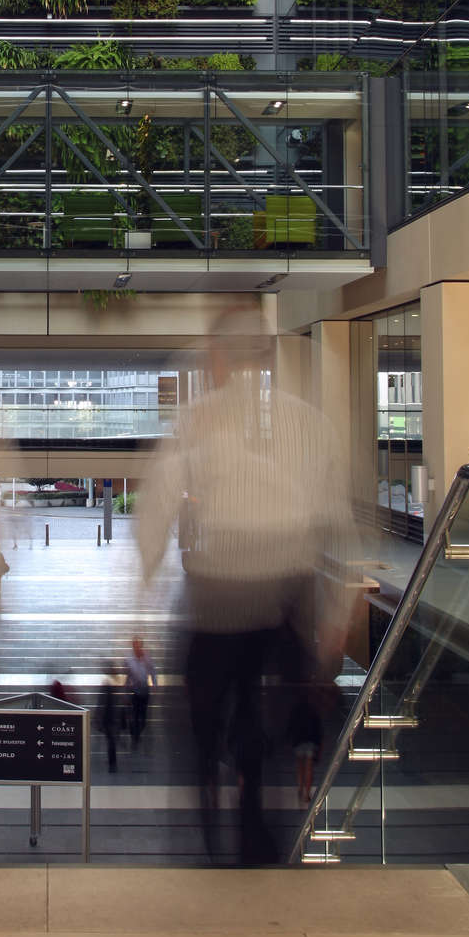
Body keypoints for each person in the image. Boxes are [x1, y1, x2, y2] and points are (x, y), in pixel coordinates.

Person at [135, 304, 357, 863]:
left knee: (205, 724)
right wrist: (336, 619)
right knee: (269, 728)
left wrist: (140, 598)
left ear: (215, 359)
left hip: (218, 598)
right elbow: (340, 525)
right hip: (290, 602)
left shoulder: (200, 420)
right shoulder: (309, 422)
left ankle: (212, 830)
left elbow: (157, 509)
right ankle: (258, 832)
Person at [124, 636, 156, 746]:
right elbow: (127, 675)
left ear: (141, 645)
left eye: (139, 645)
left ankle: (138, 732)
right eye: (135, 645)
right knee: (135, 714)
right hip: (134, 691)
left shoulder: (147, 658)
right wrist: (126, 690)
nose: (137, 647)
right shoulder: (128, 659)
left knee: (143, 717)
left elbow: (152, 670)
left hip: (145, 690)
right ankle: (134, 736)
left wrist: (154, 684)